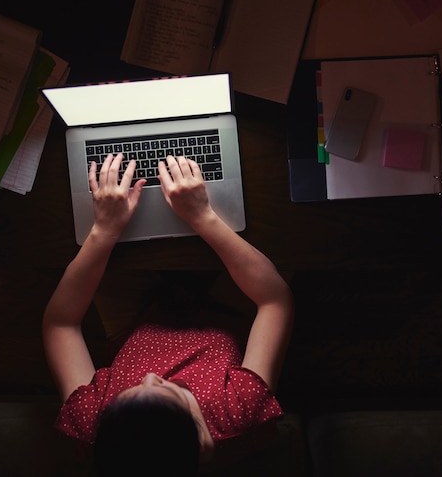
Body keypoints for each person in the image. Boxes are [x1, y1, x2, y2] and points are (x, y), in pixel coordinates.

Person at [42, 153, 294, 475]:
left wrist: (104, 231)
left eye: (126, 394)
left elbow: (61, 323)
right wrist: (203, 217)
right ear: (202, 443)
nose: (149, 377)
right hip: (224, 313)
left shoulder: (91, 423)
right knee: (288, 242)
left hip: (135, 321)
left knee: (74, 242)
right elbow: (275, 301)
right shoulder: (237, 412)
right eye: (168, 391)